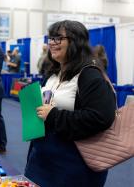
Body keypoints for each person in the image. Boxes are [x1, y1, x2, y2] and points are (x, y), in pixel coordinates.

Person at [25, 20, 116, 187]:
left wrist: (53, 115)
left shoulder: (89, 75)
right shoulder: (53, 73)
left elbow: (101, 117)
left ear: (75, 41)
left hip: (73, 168)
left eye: (58, 38)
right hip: (41, 161)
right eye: (50, 38)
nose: (52, 43)